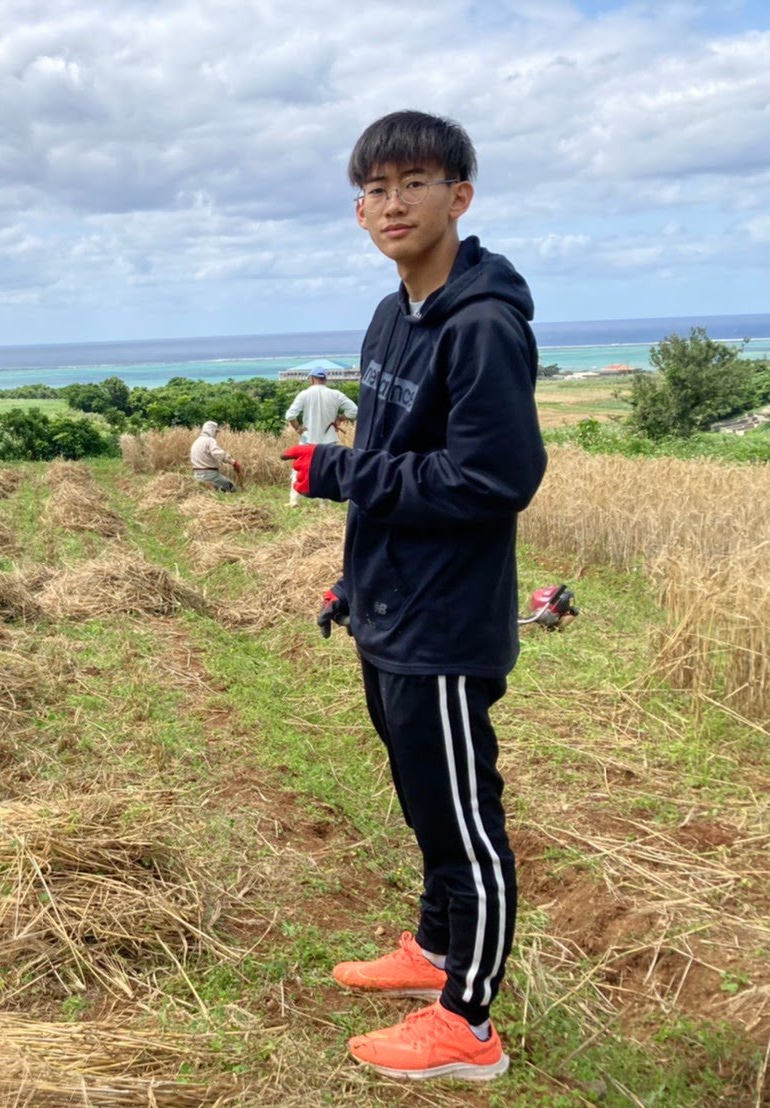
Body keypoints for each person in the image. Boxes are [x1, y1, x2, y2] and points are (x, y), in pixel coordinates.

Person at [281, 111, 547, 1082]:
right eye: (373, 189)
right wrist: (354, 577)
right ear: (358, 209)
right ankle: (432, 949)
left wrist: (343, 474)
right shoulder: (391, 313)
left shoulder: (480, 327)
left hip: (444, 618)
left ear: (458, 197)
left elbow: (491, 479)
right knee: (421, 800)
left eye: (413, 182)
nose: (391, 203)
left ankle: (466, 1024)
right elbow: (395, 459)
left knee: (464, 817)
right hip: (389, 606)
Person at [284, 369, 358, 507]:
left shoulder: (305, 394)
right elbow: (353, 410)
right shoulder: (336, 394)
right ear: (325, 379)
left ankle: (294, 500)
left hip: (308, 440)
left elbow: (290, 415)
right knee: (326, 471)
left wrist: (298, 429)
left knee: (298, 468)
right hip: (329, 440)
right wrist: (339, 419)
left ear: (311, 379)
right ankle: (324, 504)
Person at [188, 421, 242, 492]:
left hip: (197, 475)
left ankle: (207, 487)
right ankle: (213, 486)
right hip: (210, 475)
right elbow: (218, 454)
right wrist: (233, 462)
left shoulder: (196, 442)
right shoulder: (210, 441)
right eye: (216, 432)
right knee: (232, 488)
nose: (216, 434)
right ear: (211, 430)